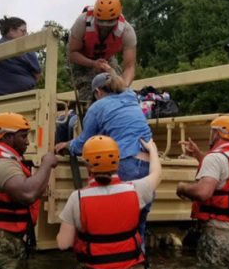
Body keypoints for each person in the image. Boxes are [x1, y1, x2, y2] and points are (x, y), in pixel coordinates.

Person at [54, 71, 154, 248]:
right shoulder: (131, 96)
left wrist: (66, 145)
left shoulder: (97, 107)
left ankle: (109, 263)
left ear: (98, 92)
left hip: (125, 161)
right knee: (138, 226)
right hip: (148, 162)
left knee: (115, 224)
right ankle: (138, 263)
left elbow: (84, 144)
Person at [56, 135, 161, 269]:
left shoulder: (77, 198)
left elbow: (63, 244)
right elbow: (156, 175)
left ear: (87, 166)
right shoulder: (136, 190)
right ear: (118, 162)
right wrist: (152, 150)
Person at [0, 112, 58, 269]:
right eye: (23, 137)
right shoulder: (3, 164)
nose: (27, 142)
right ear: (8, 137)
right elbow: (28, 194)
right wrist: (46, 164)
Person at [176, 115, 229, 267]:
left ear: (218, 133)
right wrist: (199, 155)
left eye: (212, 131)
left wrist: (182, 188)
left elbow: (203, 192)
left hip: (217, 236)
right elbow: (224, 179)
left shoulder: (216, 158)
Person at [67, 0, 137, 105]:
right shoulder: (82, 22)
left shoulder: (127, 32)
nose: (104, 27)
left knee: (115, 86)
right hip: (81, 57)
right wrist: (92, 63)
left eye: (109, 24)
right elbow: (72, 53)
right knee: (89, 92)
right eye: (101, 23)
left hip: (106, 57)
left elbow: (130, 66)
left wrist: (123, 87)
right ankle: (88, 112)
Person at [0, 16, 42, 98]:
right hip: (21, 97)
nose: (25, 35)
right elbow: (38, 75)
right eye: (23, 31)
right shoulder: (25, 49)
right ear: (11, 30)